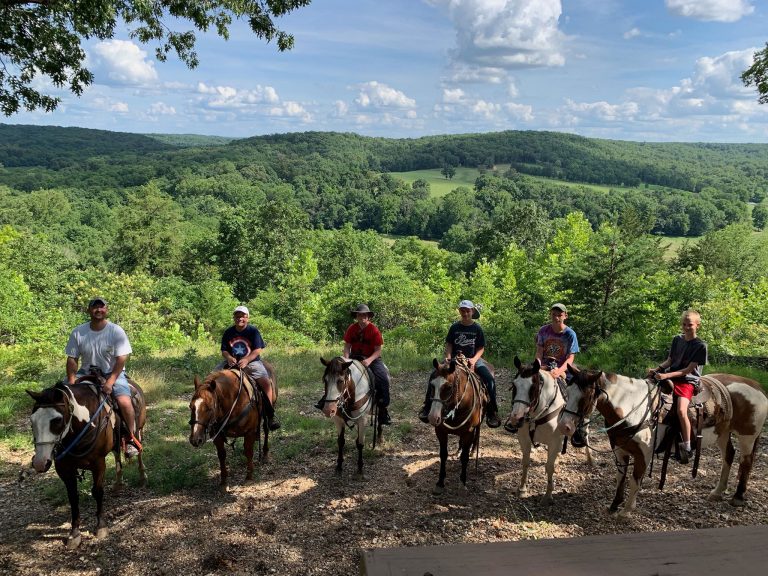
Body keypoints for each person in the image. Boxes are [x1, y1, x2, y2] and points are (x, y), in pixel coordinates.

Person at [65, 297, 140, 457]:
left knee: (125, 402)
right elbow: (72, 358)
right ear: (89, 310)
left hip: (112, 373)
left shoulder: (116, 331)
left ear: (107, 310)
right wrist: (71, 383)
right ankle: (58, 439)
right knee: (58, 397)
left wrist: (111, 381)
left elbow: (121, 359)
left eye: (101, 307)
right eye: (94, 307)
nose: (98, 310)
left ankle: (131, 437)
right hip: (85, 373)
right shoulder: (78, 332)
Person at [418, 300, 501, 428]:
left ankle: (492, 412)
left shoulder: (477, 328)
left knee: (489, 380)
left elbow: (481, 348)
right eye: (462, 310)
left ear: (472, 311)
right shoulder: (455, 327)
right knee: (434, 376)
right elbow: (449, 344)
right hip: (455, 359)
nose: (465, 313)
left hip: (473, 359)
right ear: (460, 311)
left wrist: (473, 359)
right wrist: (448, 357)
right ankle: (427, 407)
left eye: (467, 311)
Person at [510, 303, 583, 440]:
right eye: (554, 314)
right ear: (550, 315)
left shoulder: (570, 334)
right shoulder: (543, 330)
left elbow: (571, 357)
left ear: (565, 316)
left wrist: (559, 371)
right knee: (522, 382)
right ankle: (515, 416)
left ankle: (578, 427)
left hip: (562, 368)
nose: (556, 317)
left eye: (559, 315)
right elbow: (539, 352)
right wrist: (539, 365)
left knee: (578, 391)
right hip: (543, 366)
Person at [316, 304, 392, 425]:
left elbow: (378, 350)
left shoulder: (374, 330)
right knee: (335, 376)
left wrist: (369, 360)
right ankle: (326, 400)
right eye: (359, 315)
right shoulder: (352, 328)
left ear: (368, 317)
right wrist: (345, 359)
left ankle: (383, 409)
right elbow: (347, 347)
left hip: (371, 358)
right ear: (356, 316)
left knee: (383, 378)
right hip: (354, 357)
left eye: (364, 315)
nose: (362, 317)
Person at [649, 309, 707, 464]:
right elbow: (669, 361)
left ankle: (687, 446)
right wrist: (657, 369)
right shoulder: (677, 339)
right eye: (684, 324)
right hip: (671, 376)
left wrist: (666, 375)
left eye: (690, 325)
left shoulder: (701, 346)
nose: (686, 327)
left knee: (681, 410)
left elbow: (688, 370)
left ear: (697, 325)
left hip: (687, 380)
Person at [217, 305, 280, 431]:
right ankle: (212, 415)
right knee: (212, 379)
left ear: (247, 318)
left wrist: (246, 360)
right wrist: (229, 357)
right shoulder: (229, 332)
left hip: (251, 362)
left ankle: (269, 415)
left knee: (266, 384)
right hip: (232, 362)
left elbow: (258, 349)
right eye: (237, 316)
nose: (240, 318)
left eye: (242, 316)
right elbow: (224, 350)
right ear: (234, 318)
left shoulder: (253, 331)